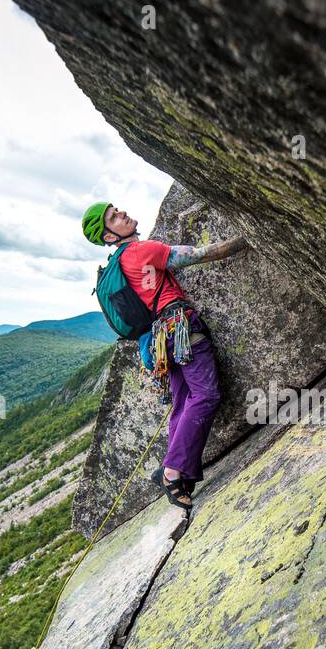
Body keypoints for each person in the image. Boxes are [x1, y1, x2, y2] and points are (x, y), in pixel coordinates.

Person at [82, 201, 248, 509]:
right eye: (114, 217)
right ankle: (173, 472)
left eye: (118, 210)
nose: (123, 214)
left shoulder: (120, 262)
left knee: (184, 401)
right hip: (180, 328)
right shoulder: (140, 251)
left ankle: (178, 473)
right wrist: (249, 237)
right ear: (108, 236)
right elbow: (197, 255)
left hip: (161, 340)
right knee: (206, 395)